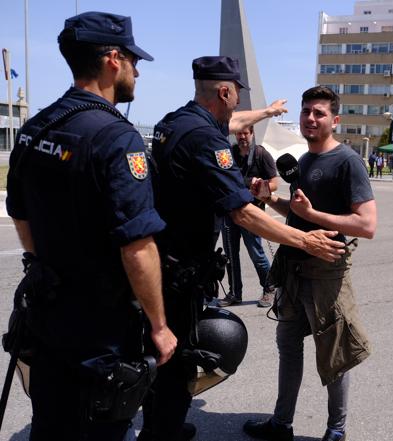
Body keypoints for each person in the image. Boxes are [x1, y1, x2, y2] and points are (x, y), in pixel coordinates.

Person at [140, 58, 345, 441]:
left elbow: (232, 123)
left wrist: (266, 112)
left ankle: (158, 424)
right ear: (225, 91)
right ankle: (160, 432)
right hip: (179, 270)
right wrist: (305, 239)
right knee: (179, 358)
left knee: (161, 353)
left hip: (161, 259)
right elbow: (243, 213)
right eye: (235, 94)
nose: (237, 105)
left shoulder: (176, 121)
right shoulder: (206, 139)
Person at [5, 12, 177, 440]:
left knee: (51, 424)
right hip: (99, 331)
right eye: (134, 61)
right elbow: (137, 246)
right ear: (112, 60)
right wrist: (159, 325)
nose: (137, 71)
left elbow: (20, 213)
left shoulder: (35, 128)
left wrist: (42, 262)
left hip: (46, 313)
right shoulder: (117, 137)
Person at [243, 86, 376, 441]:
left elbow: (367, 225)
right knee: (288, 348)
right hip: (294, 270)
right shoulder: (303, 161)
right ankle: (281, 423)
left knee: (334, 355)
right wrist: (270, 198)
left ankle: (336, 429)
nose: (310, 119)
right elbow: (298, 215)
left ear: (334, 120)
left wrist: (313, 213)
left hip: (326, 273)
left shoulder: (348, 161)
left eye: (318, 113)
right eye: (306, 112)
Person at [219, 125, 279, 308]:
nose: (242, 137)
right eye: (239, 133)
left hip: (252, 212)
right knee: (230, 255)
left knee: (256, 253)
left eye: (246, 133)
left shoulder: (261, 154)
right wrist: (247, 182)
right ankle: (235, 293)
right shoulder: (229, 153)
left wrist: (261, 187)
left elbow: (275, 183)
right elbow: (223, 176)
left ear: (252, 133)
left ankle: (269, 288)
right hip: (230, 212)